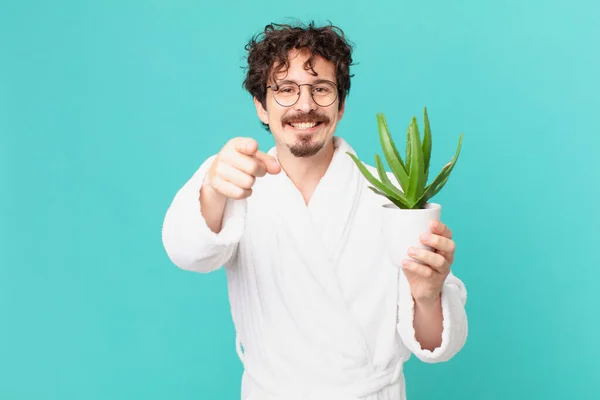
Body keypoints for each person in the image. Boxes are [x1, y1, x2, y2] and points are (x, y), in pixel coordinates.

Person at [162, 21, 468, 400]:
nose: (304, 105)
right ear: (261, 106)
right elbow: (187, 252)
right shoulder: (231, 180)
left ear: (340, 106)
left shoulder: (398, 197)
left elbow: (437, 345)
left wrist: (427, 295)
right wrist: (211, 188)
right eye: (286, 90)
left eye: (321, 90)